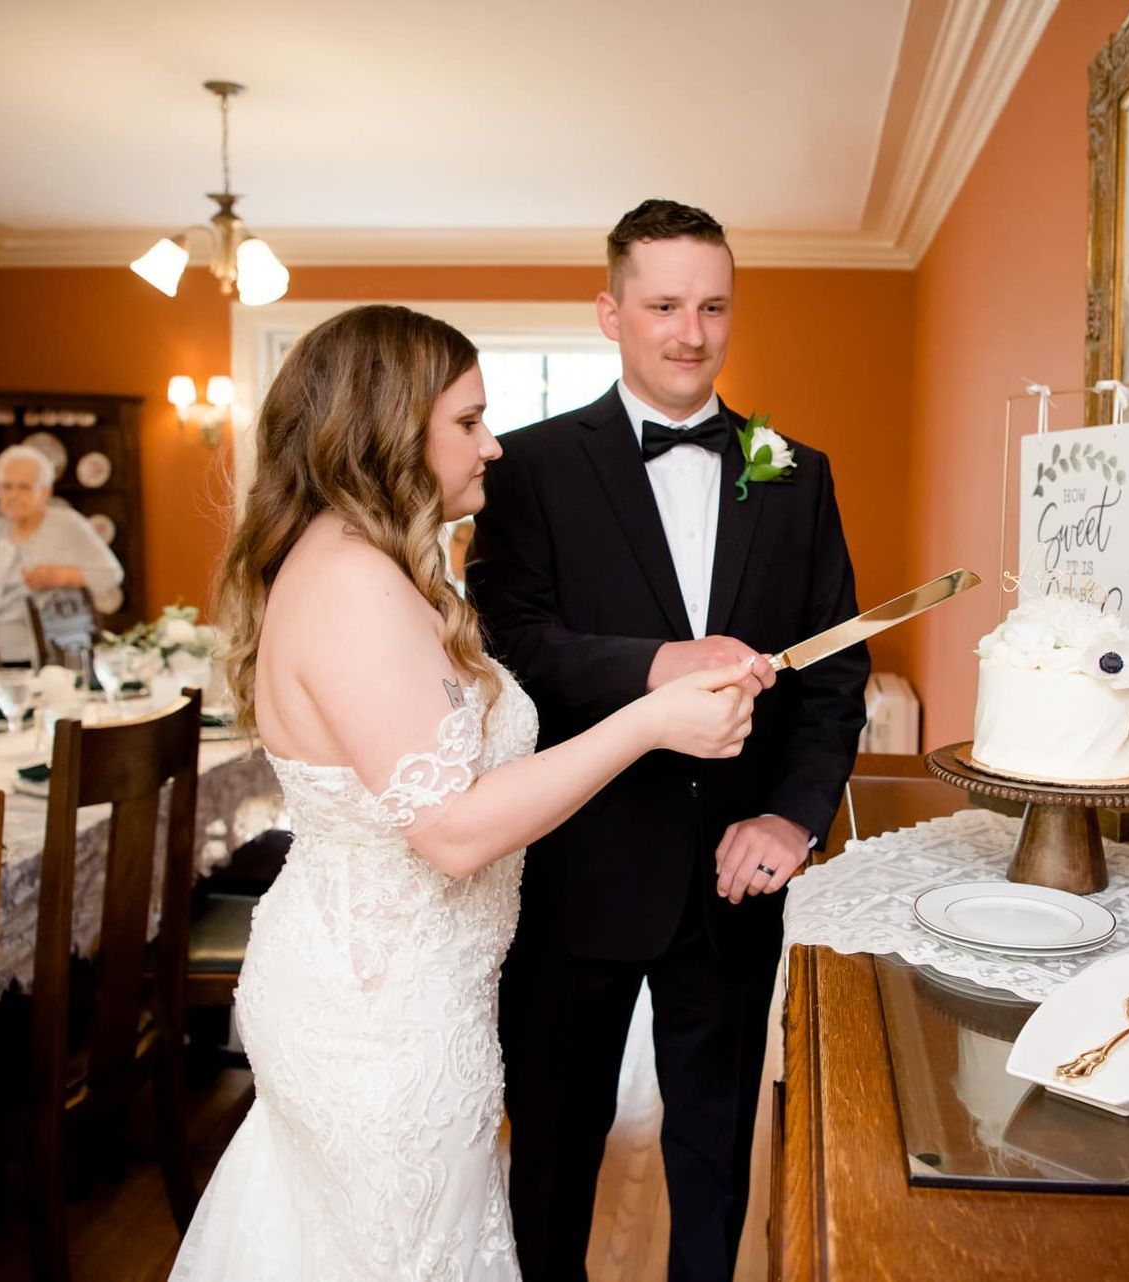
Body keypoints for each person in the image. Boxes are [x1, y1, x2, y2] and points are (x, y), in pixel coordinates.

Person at [169, 305, 758, 1280]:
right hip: (377, 1023)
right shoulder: (354, 583)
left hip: (411, 996)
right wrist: (648, 720)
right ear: (390, 433)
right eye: (468, 421)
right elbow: (449, 830)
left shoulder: (377, 566)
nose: (492, 444)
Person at [469, 199, 869, 1281]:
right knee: (549, 1151)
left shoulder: (798, 471)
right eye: (662, 306)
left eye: (711, 306)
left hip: (733, 887)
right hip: (570, 870)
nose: (690, 332)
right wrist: (658, 667)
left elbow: (834, 667)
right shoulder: (526, 466)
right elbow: (509, 644)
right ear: (610, 312)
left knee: (712, 1152)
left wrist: (792, 816)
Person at [0, 444, 122, 662]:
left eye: (24, 487)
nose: (13, 495)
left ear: (45, 491)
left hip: (54, 655)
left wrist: (60, 576)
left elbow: (110, 574)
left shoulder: (66, 523)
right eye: (6, 486)